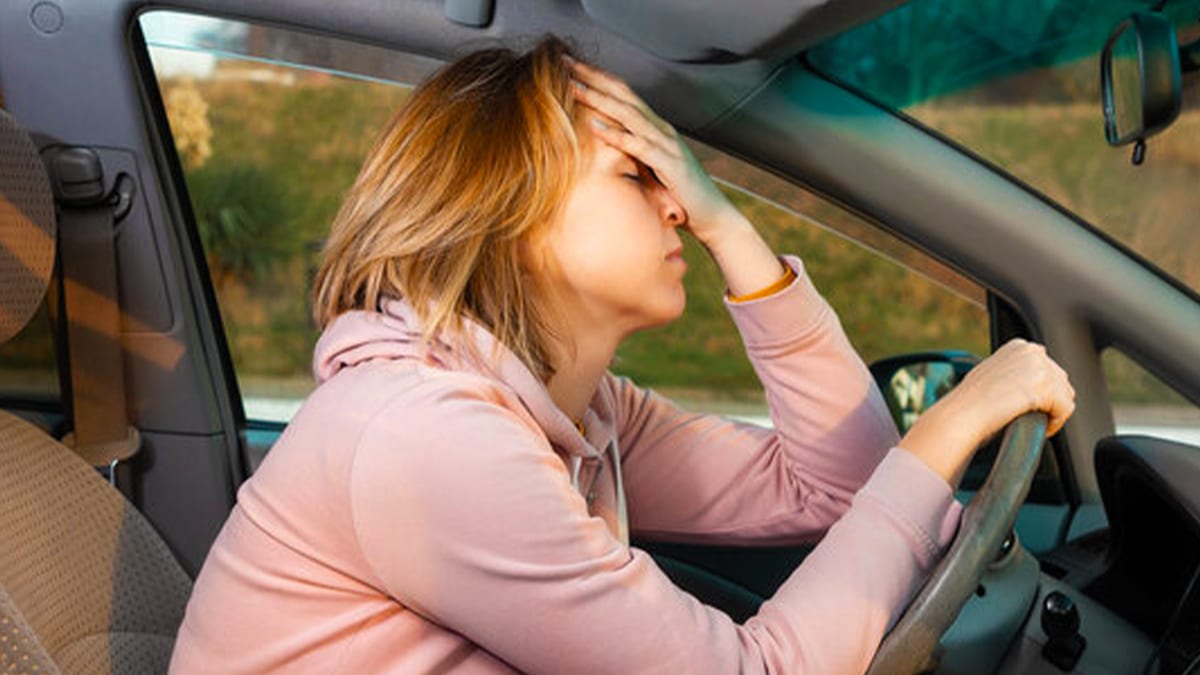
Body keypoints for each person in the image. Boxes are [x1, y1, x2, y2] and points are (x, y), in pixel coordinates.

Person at [170, 37, 1074, 674]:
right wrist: (952, 422)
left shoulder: (584, 411)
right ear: (509, 213)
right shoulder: (424, 437)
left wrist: (732, 229)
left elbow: (838, 488)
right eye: (638, 175)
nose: (678, 204)